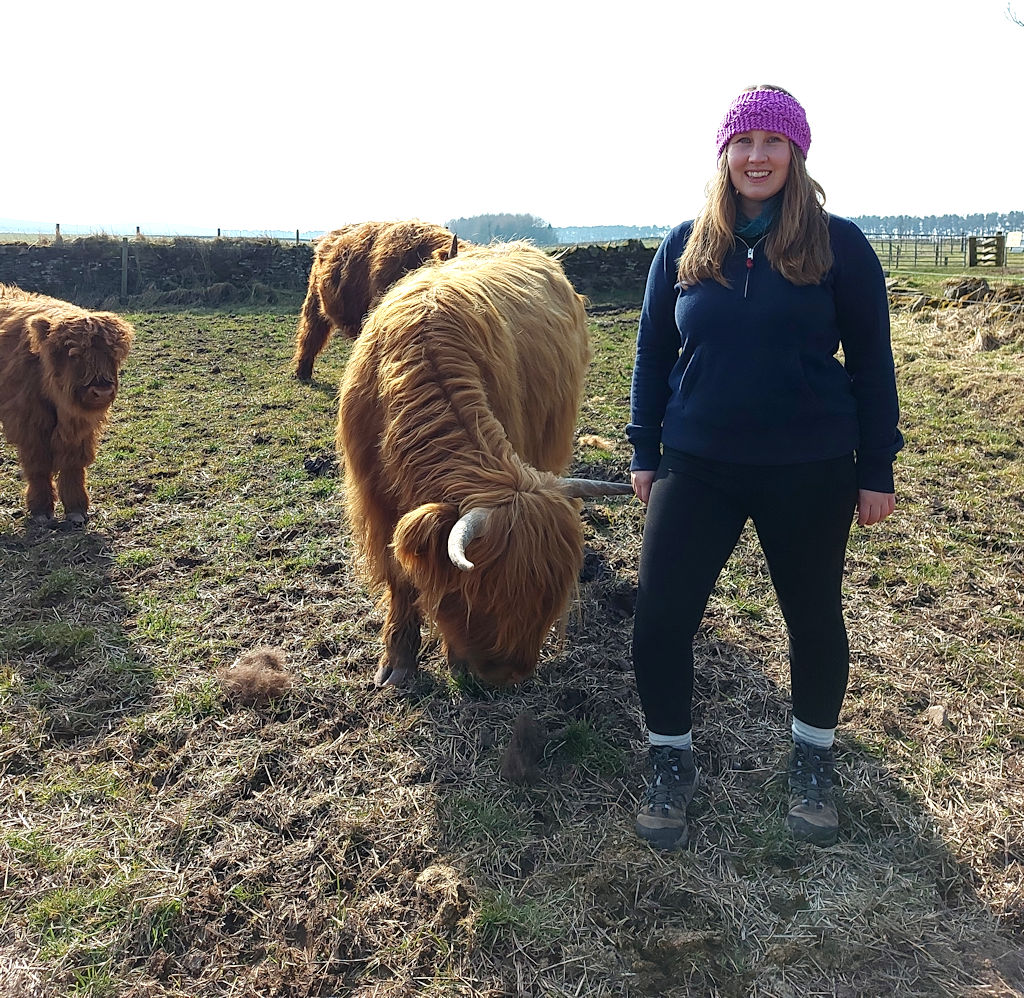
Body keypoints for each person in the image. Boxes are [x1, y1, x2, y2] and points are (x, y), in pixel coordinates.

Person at [626, 84, 902, 850]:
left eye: (773, 143)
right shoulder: (685, 243)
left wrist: (875, 466)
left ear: (796, 154)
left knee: (813, 617)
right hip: (697, 464)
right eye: (744, 143)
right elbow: (654, 352)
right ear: (725, 155)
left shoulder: (841, 246)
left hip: (809, 466)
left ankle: (814, 758)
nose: (757, 156)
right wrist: (645, 449)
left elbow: (874, 364)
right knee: (660, 618)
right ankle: (670, 760)